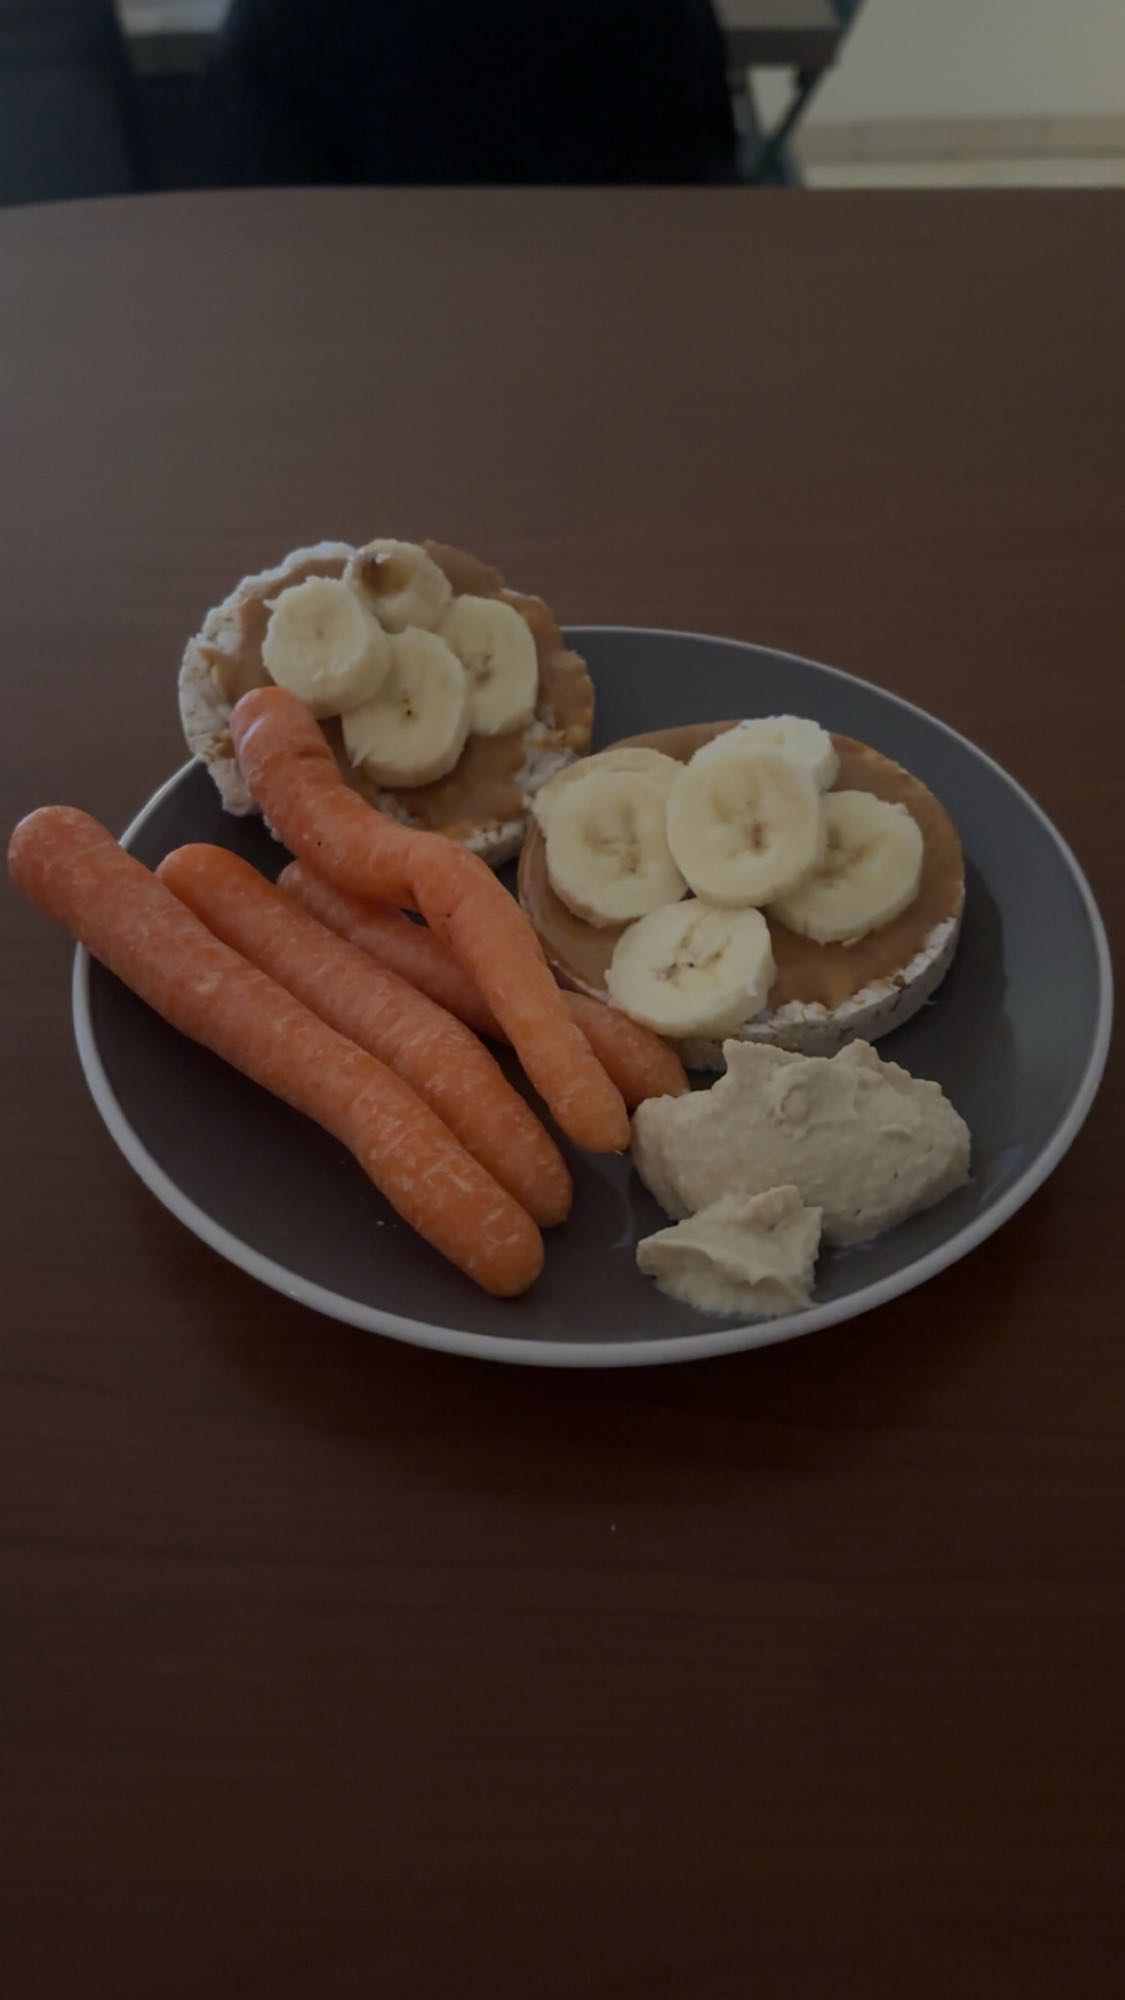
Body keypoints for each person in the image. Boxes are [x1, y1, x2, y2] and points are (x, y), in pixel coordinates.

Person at [205, 0, 736, 186]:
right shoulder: (656, 21)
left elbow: (249, 203)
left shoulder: (281, 22)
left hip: (342, 350)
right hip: (614, 344)